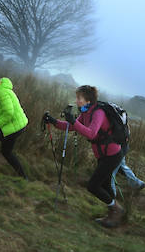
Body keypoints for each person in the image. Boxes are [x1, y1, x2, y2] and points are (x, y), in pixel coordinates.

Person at [44, 85, 125, 227]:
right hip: (103, 155)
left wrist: (73, 120)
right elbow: (73, 127)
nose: (77, 101)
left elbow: (91, 133)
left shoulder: (98, 113)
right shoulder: (86, 112)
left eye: (79, 98)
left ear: (88, 100)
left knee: (93, 186)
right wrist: (53, 121)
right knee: (105, 185)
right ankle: (114, 214)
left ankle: (117, 210)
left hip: (112, 154)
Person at [0, 76, 29, 180]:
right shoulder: (0, 89)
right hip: (18, 125)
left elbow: (8, 112)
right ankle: (24, 178)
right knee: (6, 152)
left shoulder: (0, 92)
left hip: (13, 126)